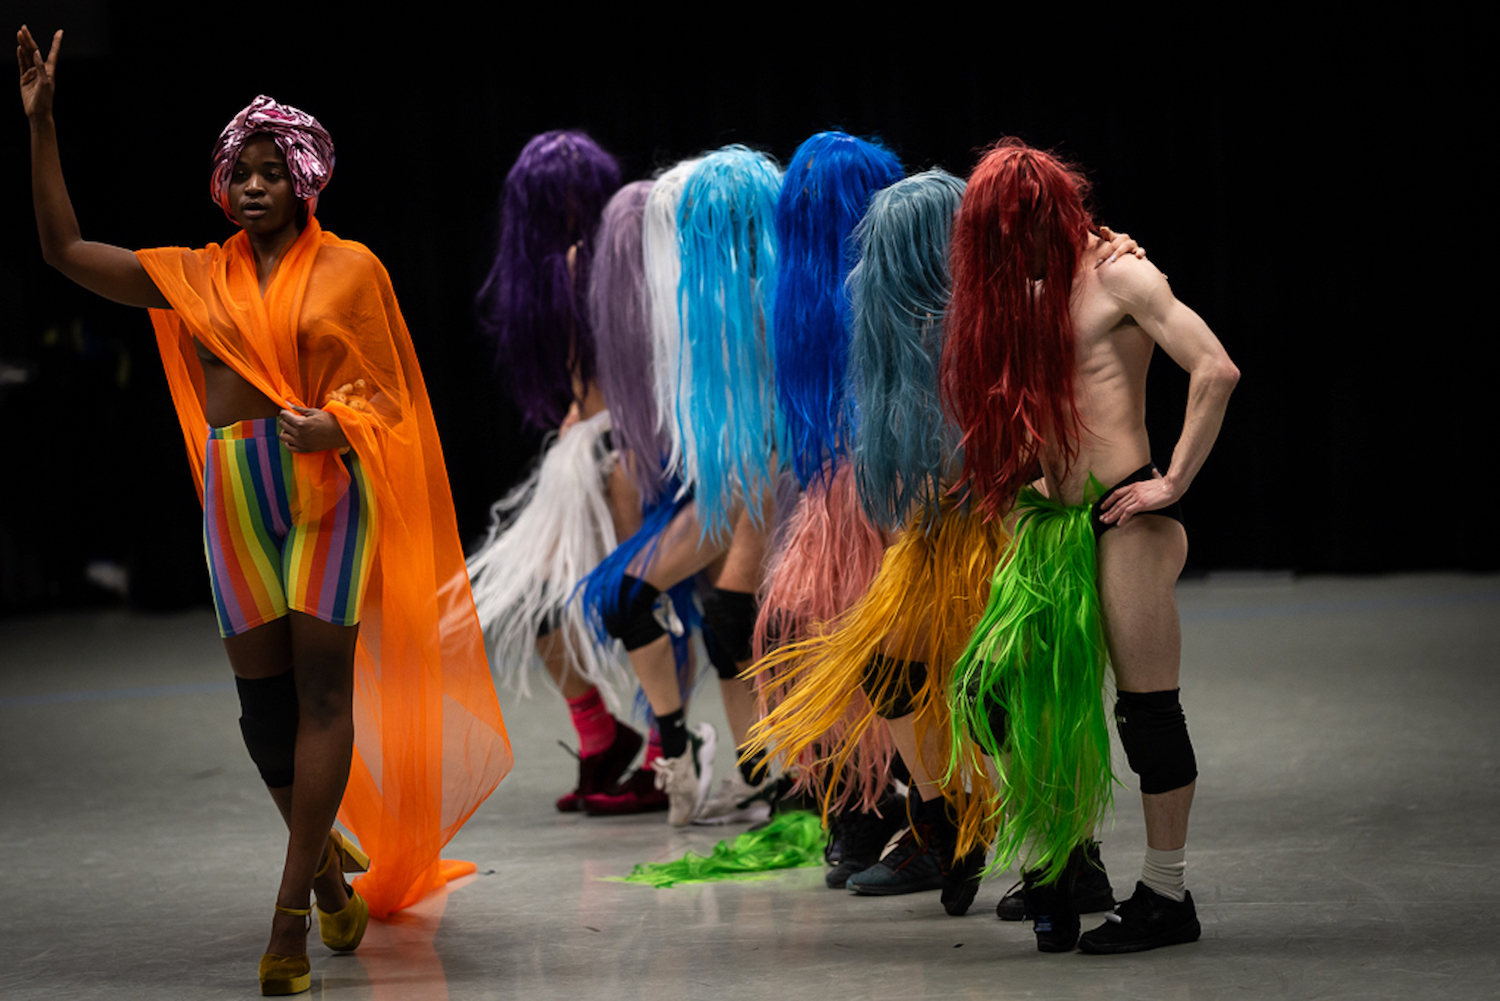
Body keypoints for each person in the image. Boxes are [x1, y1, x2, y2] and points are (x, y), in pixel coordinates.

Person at [19, 27, 511, 996]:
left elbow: (392, 400)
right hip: (236, 491)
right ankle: (326, 871)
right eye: (239, 172)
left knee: (323, 698)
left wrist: (337, 426)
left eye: (271, 171)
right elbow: (63, 250)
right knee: (264, 717)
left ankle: (289, 916)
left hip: (328, 493)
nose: (251, 186)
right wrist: (41, 125)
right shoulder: (196, 276)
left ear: (304, 181)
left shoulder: (354, 269)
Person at [943, 138, 1238, 953]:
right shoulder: (1025, 295)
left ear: (1051, 214)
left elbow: (1215, 369)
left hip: (1125, 517)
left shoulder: (1120, 275)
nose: (1011, 248)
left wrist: (1171, 482)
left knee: (1147, 713)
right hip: (1050, 523)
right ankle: (1072, 858)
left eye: (1021, 231)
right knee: (987, 692)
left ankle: (1167, 895)